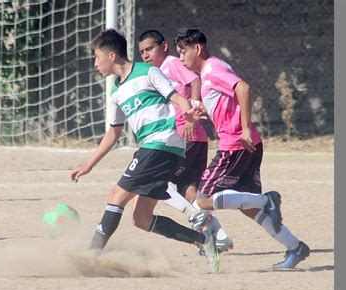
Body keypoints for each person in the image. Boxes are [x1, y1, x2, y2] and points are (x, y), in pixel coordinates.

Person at [69, 29, 220, 272]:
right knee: (141, 219)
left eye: (97, 57)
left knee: (115, 196)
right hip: (158, 149)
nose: (95, 63)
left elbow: (176, 97)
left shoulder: (148, 72)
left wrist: (189, 117)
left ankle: (91, 256)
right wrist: (88, 165)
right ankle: (204, 241)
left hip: (160, 143)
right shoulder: (116, 93)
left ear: (111, 55)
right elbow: (113, 133)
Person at [174, 28, 310, 269]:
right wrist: (203, 113)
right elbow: (228, 102)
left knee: (203, 200)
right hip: (248, 143)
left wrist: (245, 127)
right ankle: (294, 247)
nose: (181, 58)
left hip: (235, 144)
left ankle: (265, 200)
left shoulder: (212, 70)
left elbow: (243, 89)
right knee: (247, 207)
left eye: (183, 52)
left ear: (197, 48)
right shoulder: (214, 69)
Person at [137, 29, 233, 253]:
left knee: (160, 183)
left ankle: (198, 219)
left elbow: (195, 80)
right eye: (142, 52)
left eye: (150, 49)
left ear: (164, 46)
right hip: (192, 138)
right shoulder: (157, 72)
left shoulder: (172, 64)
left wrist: (193, 112)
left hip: (184, 135)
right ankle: (220, 236)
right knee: (188, 190)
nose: (146, 55)